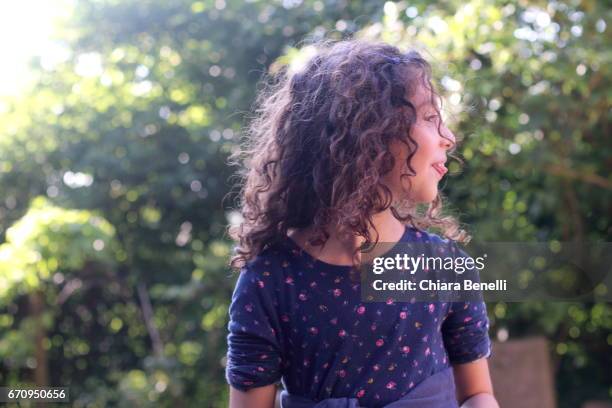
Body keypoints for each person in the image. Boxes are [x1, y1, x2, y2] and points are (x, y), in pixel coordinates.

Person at [224, 38, 499, 408]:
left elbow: (478, 394)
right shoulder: (270, 280)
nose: (449, 138)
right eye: (431, 119)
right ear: (372, 136)